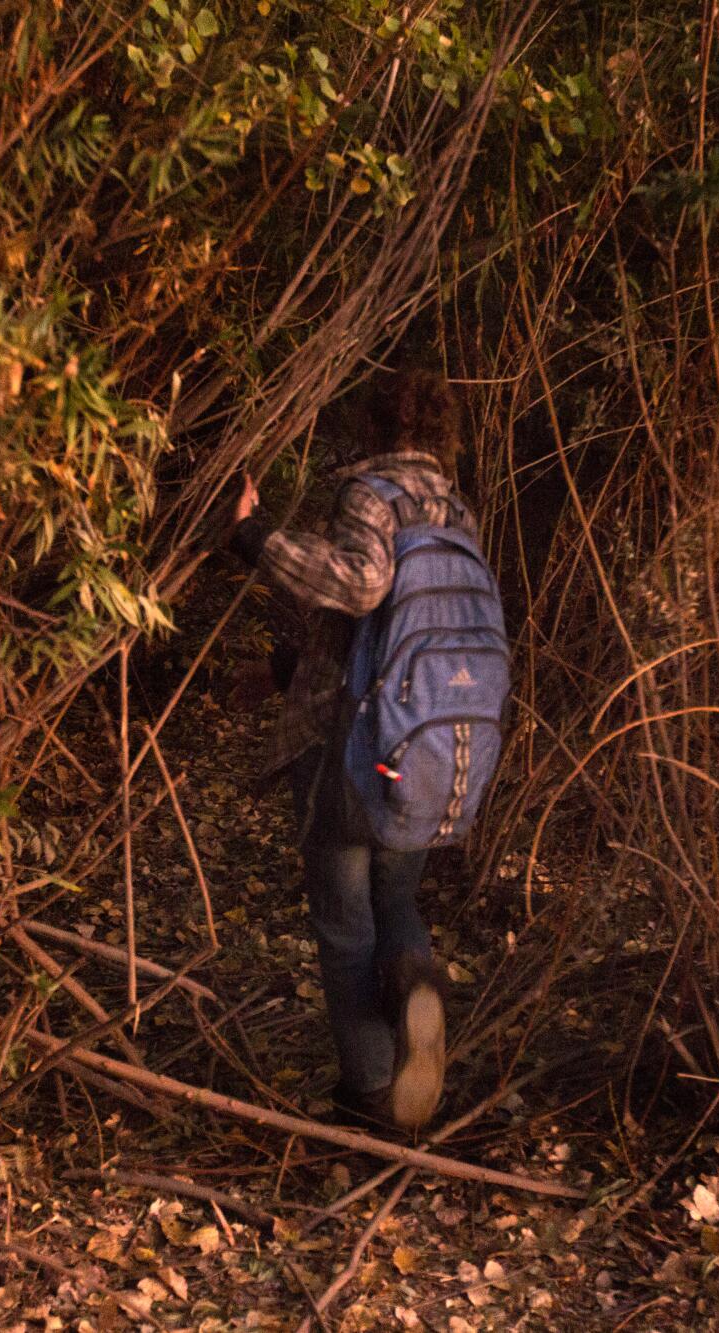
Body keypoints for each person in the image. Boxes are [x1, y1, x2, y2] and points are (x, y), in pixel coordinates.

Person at [226, 368, 473, 1131]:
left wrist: (254, 536)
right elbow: (391, 639)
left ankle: (370, 1092)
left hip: (351, 748)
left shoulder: (373, 496)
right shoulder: (458, 513)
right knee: (395, 895)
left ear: (377, 426)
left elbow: (363, 590)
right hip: (429, 748)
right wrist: (279, 671)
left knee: (343, 919)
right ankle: (415, 994)